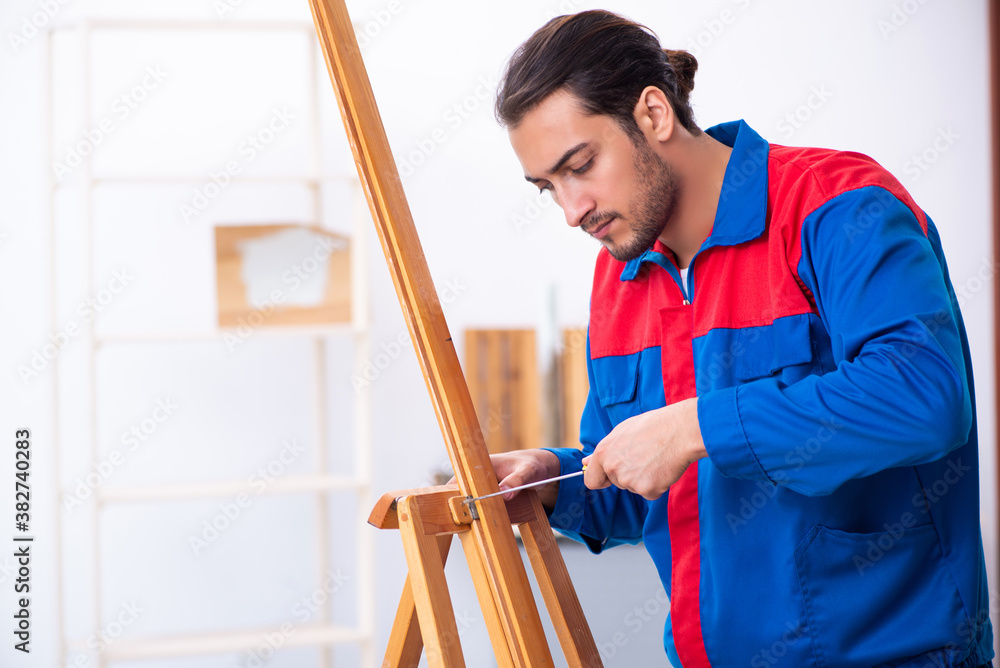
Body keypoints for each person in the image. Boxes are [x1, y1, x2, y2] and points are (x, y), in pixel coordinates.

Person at [488, 9, 994, 667]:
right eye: (547, 188)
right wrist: (556, 480)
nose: (570, 210)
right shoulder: (620, 278)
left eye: (580, 165)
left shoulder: (838, 207)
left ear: (653, 114)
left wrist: (693, 426)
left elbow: (926, 397)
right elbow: (646, 479)